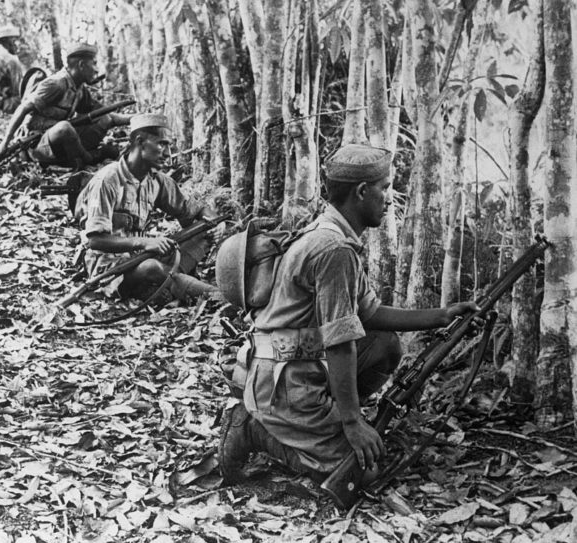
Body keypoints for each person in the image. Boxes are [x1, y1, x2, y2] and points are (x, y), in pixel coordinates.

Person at [218, 143, 480, 487]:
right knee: (364, 473)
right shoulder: (333, 250)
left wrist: (442, 315)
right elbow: (340, 342)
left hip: (293, 366)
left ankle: (324, 420)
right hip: (283, 385)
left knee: (385, 345)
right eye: (385, 188)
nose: (390, 198)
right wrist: (353, 421)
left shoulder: (331, 234)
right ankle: (253, 430)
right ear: (361, 192)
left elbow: (368, 313)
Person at [74, 113, 220, 303]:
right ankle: (214, 295)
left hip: (143, 255)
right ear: (140, 142)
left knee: (203, 234)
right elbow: (95, 240)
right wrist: (143, 243)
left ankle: (166, 285)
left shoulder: (157, 180)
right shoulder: (107, 181)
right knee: (152, 268)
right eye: (162, 144)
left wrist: (212, 221)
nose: (168, 153)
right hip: (109, 264)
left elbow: (192, 209)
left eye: (169, 145)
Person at [0, 43, 130, 169]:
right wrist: (4, 144)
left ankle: (82, 156)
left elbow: (103, 114)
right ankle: (88, 158)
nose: (96, 70)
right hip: (37, 144)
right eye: (94, 64)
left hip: (59, 142)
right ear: (82, 65)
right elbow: (23, 108)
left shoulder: (80, 88)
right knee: (64, 128)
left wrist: (138, 118)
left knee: (104, 119)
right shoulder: (56, 84)